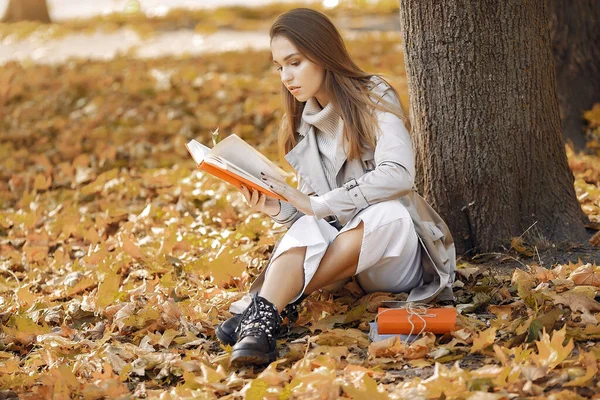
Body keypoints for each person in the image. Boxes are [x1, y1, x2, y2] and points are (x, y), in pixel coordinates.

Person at [217, 8, 456, 366]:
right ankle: (262, 323)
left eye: (294, 62)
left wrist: (318, 204)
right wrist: (277, 206)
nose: (286, 76)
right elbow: (311, 215)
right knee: (306, 224)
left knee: (386, 213)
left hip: (395, 255)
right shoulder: (300, 123)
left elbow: (399, 174)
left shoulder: (373, 94)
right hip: (345, 267)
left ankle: (266, 308)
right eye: (279, 66)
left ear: (323, 52)